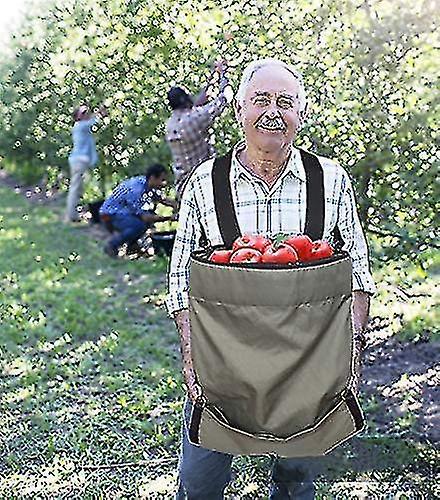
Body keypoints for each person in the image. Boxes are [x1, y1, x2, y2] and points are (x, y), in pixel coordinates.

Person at [166, 58, 376, 499]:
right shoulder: (207, 183)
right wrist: (191, 353)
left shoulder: (330, 180)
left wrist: (351, 352)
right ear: (240, 108)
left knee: (296, 482)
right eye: (260, 100)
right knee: (200, 482)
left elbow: (357, 270)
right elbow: (181, 277)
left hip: (306, 362)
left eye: (286, 102)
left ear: (302, 112)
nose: (272, 112)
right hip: (223, 360)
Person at [165, 60, 229, 195]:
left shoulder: (172, 123)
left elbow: (198, 104)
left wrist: (214, 75)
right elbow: (224, 99)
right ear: (184, 100)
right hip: (202, 184)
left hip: (183, 186)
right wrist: (223, 74)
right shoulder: (195, 119)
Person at [100, 164, 177, 258]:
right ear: (153, 178)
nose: (164, 183)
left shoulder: (145, 183)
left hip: (121, 213)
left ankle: (132, 247)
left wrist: (176, 205)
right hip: (110, 215)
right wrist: (169, 218)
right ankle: (112, 245)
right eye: (162, 180)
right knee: (140, 225)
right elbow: (145, 218)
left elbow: (162, 199)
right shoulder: (136, 190)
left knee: (146, 219)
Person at [65, 104, 107, 222]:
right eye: (83, 113)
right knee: (75, 188)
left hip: (79, 161)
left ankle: (72, 215)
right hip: (79, 161)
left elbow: (91, 119)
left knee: (77, 188)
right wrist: (100, 113)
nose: (86, 114)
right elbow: (93, 121)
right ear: (77, 116)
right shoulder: (80, 126)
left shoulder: (81, 126)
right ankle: (72, 216)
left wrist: (97, 113)